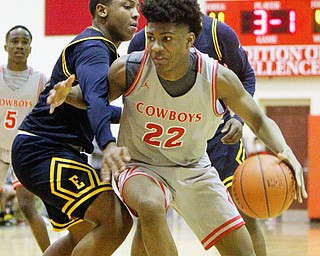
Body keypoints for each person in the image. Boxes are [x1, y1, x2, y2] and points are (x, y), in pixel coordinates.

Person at [47, 0, 307, 255]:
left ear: (189, 40)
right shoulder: (130, 68)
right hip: (140, 165)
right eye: (151, 37)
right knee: (150, 206)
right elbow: (96, 98)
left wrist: (286, 150)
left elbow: (259, 120)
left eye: (167, 39)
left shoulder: (217, 78)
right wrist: (68, 94)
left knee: (242, 251)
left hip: (193, 168)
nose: (156, 47)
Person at [127, 7, 267, 256]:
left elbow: (246, 76)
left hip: (217, 136)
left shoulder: (218, 33)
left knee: (245, 210)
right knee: (149, 216)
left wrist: (238, 118)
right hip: (164, 141)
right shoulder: (142, 40)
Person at [11, 1, 140, 255]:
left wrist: (131, 116)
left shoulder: (94, 46)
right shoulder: (94, 46)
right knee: (116, 221)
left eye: (137, 6)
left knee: (81, 236)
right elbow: (95, 99)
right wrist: (108, 143)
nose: (136, 13)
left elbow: (90, 103)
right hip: (45, 151)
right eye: (127, 5)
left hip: (43, 149)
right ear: (102, 10)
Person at [0, 25, 51, 252]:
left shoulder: (41, 80)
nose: (19, 46)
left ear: (30, 48)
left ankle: (51, 253)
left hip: (23, 151)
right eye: (15, 41)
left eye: (24, 42)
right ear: (6, 46)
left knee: (28, 207)